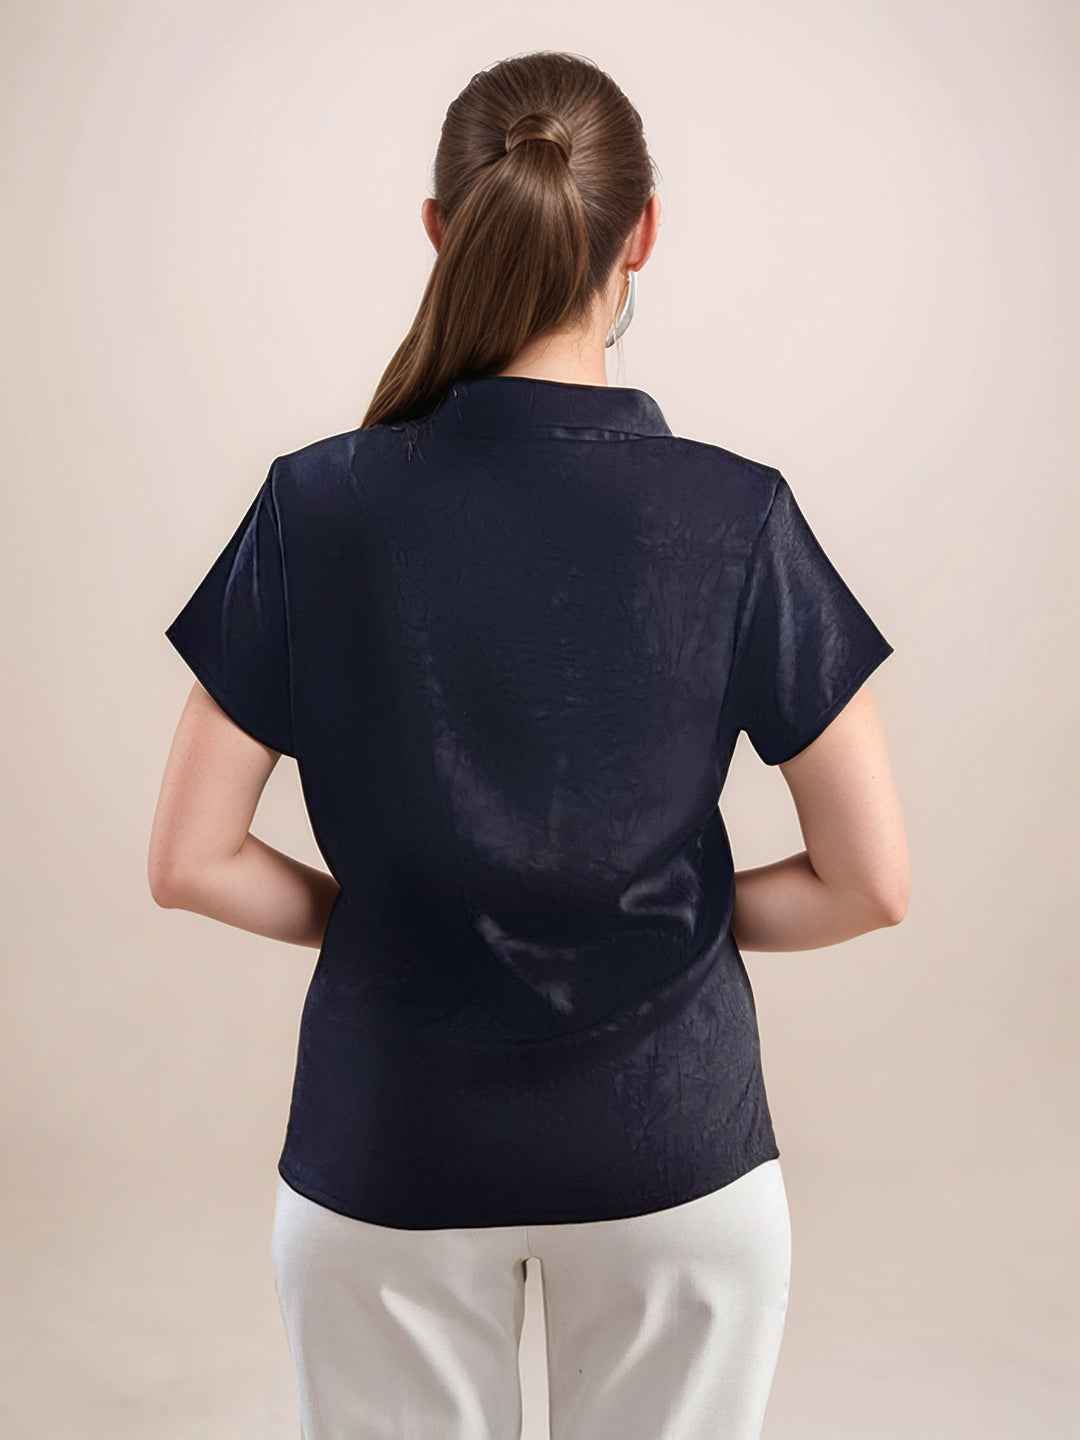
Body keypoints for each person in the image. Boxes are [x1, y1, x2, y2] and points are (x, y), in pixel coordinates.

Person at [149, 48, 908, 1440]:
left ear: (440, 231)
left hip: (388, 1146)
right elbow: (873, 882)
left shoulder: (316, 507)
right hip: (674, 1149)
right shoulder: (737, 517)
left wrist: (390, 917)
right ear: (643, 233)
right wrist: (658, 925)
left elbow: (189, 859)